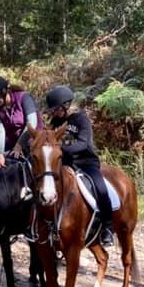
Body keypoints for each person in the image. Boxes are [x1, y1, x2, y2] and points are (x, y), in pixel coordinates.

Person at [45, 85, 114, 247]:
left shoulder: (81, 119)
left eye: (56, 109)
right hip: (65, 163)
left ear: (65, 106)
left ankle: (108, 228)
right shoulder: (56, 121)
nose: (53, 113)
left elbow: (83, 143)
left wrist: (60, 149)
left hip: (86, 163)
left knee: (101, 190)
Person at [0, 75, 43, 169]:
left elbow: (32, 123)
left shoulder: (24, 98)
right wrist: (0, 154)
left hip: (34, 140)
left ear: (3, 92)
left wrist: (19, 145)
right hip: (12, 142)